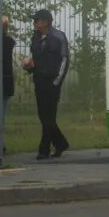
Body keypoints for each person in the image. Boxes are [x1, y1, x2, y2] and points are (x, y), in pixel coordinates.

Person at [21, 9, 70, 160]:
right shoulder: (35, 38)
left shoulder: (58, 37)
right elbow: (36, 58)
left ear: (46, 22)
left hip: (53, 81)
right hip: (39, 80)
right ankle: (60, 143)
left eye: (37, 21)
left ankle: (44, 150)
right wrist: (29, 66)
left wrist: (57, 81)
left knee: (49, 116)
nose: (35, 24)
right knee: (43, 116)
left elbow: (65, 60)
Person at [1, 16, 15, 152]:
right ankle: (0, 143)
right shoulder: (9, 42)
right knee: (1, 114)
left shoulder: (1, 43)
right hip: (6, 81)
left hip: (1, 81)